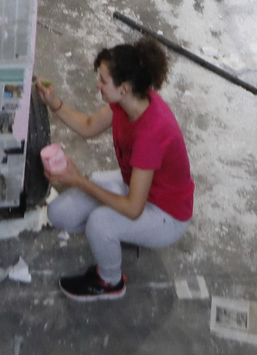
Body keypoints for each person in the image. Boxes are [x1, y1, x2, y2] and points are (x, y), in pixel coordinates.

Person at [38, 36, 194, 302]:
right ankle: (118, 233)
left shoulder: (151, 135)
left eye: (103, 80)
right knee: (59, 212)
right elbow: (88, 126)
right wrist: (54, 104)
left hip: (166, 214)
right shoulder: (129, 102)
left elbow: (134, 208)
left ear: (124, 88)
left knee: (100, 222)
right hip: (138, 187)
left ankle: (110, 281)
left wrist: (77, 180)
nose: (97, 85)